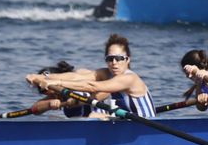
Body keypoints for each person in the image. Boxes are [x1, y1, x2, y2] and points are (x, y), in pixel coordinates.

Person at [27, 34, 155, 117]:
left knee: (95, 115)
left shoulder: (129, 78)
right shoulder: (106, 73)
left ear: (128, 59)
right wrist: (43, 77)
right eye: (110, 59)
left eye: (119, 58)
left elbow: (92, 86)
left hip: (144, 130)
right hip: (127, 125)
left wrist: (58, 83)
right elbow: (77, 77)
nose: (114, 63)